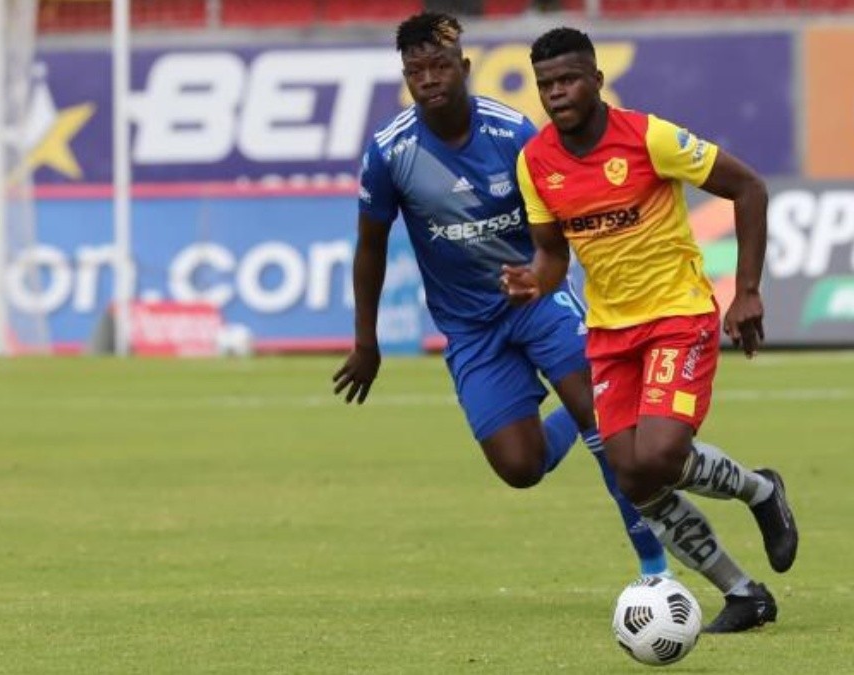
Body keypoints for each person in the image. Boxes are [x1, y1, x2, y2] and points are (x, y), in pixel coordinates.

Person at [331, 13, 770, 633]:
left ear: (463, 69)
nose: (427, 80)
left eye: (438, 67)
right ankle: (587, 411)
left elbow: (568, 218)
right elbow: (370, 243)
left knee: (619, 446)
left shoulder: (513, 134)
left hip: (539, 305)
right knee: (519, 465)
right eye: (414, 72)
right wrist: (365, 341)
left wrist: (549, 275)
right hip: (469, 327)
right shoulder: (390, 152)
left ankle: (654, 570)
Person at [502, 27, 800, 634]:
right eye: (546, 85)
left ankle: (760, 494)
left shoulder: (648, 137)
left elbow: (749, 188)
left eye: (568, 79)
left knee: (661, 454)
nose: (557, 94)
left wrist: (745, 292)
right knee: (633, 475)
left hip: (677, 316)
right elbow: (553, 253)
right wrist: (536, 278)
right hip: (609, 333)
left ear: (596, 80)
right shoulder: (535, 162)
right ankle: (744, 590)